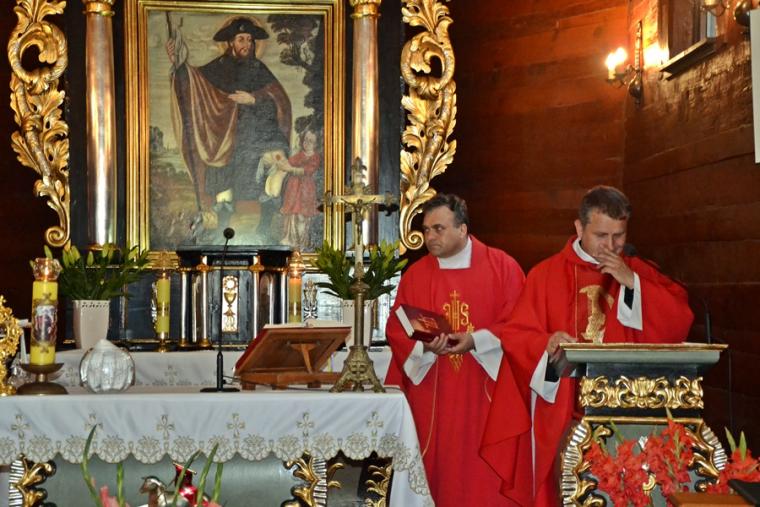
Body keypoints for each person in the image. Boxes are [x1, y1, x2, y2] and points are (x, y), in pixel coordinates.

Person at [480, 185, 694, 506]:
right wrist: (547, 342)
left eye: (619, 236)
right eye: (601, 235)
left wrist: (632, 283)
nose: (611, 245)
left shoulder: (637, 270)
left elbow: (679, 317)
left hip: (625, 412)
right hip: (563, 411)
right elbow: (516, 335)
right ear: (579, 228)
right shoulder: (545, 275)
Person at [385, 193, 526, 507]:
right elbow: (397, 327)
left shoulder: (503, 267)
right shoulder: (416, 275)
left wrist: (477, 340)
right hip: (435, 397)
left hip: (485, 394)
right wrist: (425, 348)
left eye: (439, 229)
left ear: (462, 229)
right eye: (426, 229)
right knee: (438, 474)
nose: (430, 237)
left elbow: (522, 325)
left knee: (484, 481)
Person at [167, 16, 292, 233]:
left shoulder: (259, 69)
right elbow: (194, 83)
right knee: (222, 182)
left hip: (255, 137)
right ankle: (221, 232)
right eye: (241, 39)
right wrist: (178, 65)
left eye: (250, 40)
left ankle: (263, 230)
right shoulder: (218, 67)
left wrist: (253, 99)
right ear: (231, 42)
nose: (247, 44)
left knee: (271, 172)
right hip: (225, 138)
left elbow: (280, 102)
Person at [278, 129, 320, 250]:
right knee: (292, 214)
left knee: (302, 215)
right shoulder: (299, 155)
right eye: (306, 140)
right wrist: (282, 163)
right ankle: (290, 239)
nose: (307, 143)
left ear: (316, 144)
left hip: (306, 190)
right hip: (293, 188)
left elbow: (308, 170)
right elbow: (289, 162)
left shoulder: (315, 157)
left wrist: (291, 169)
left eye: (311, 141)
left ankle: (302, 241)